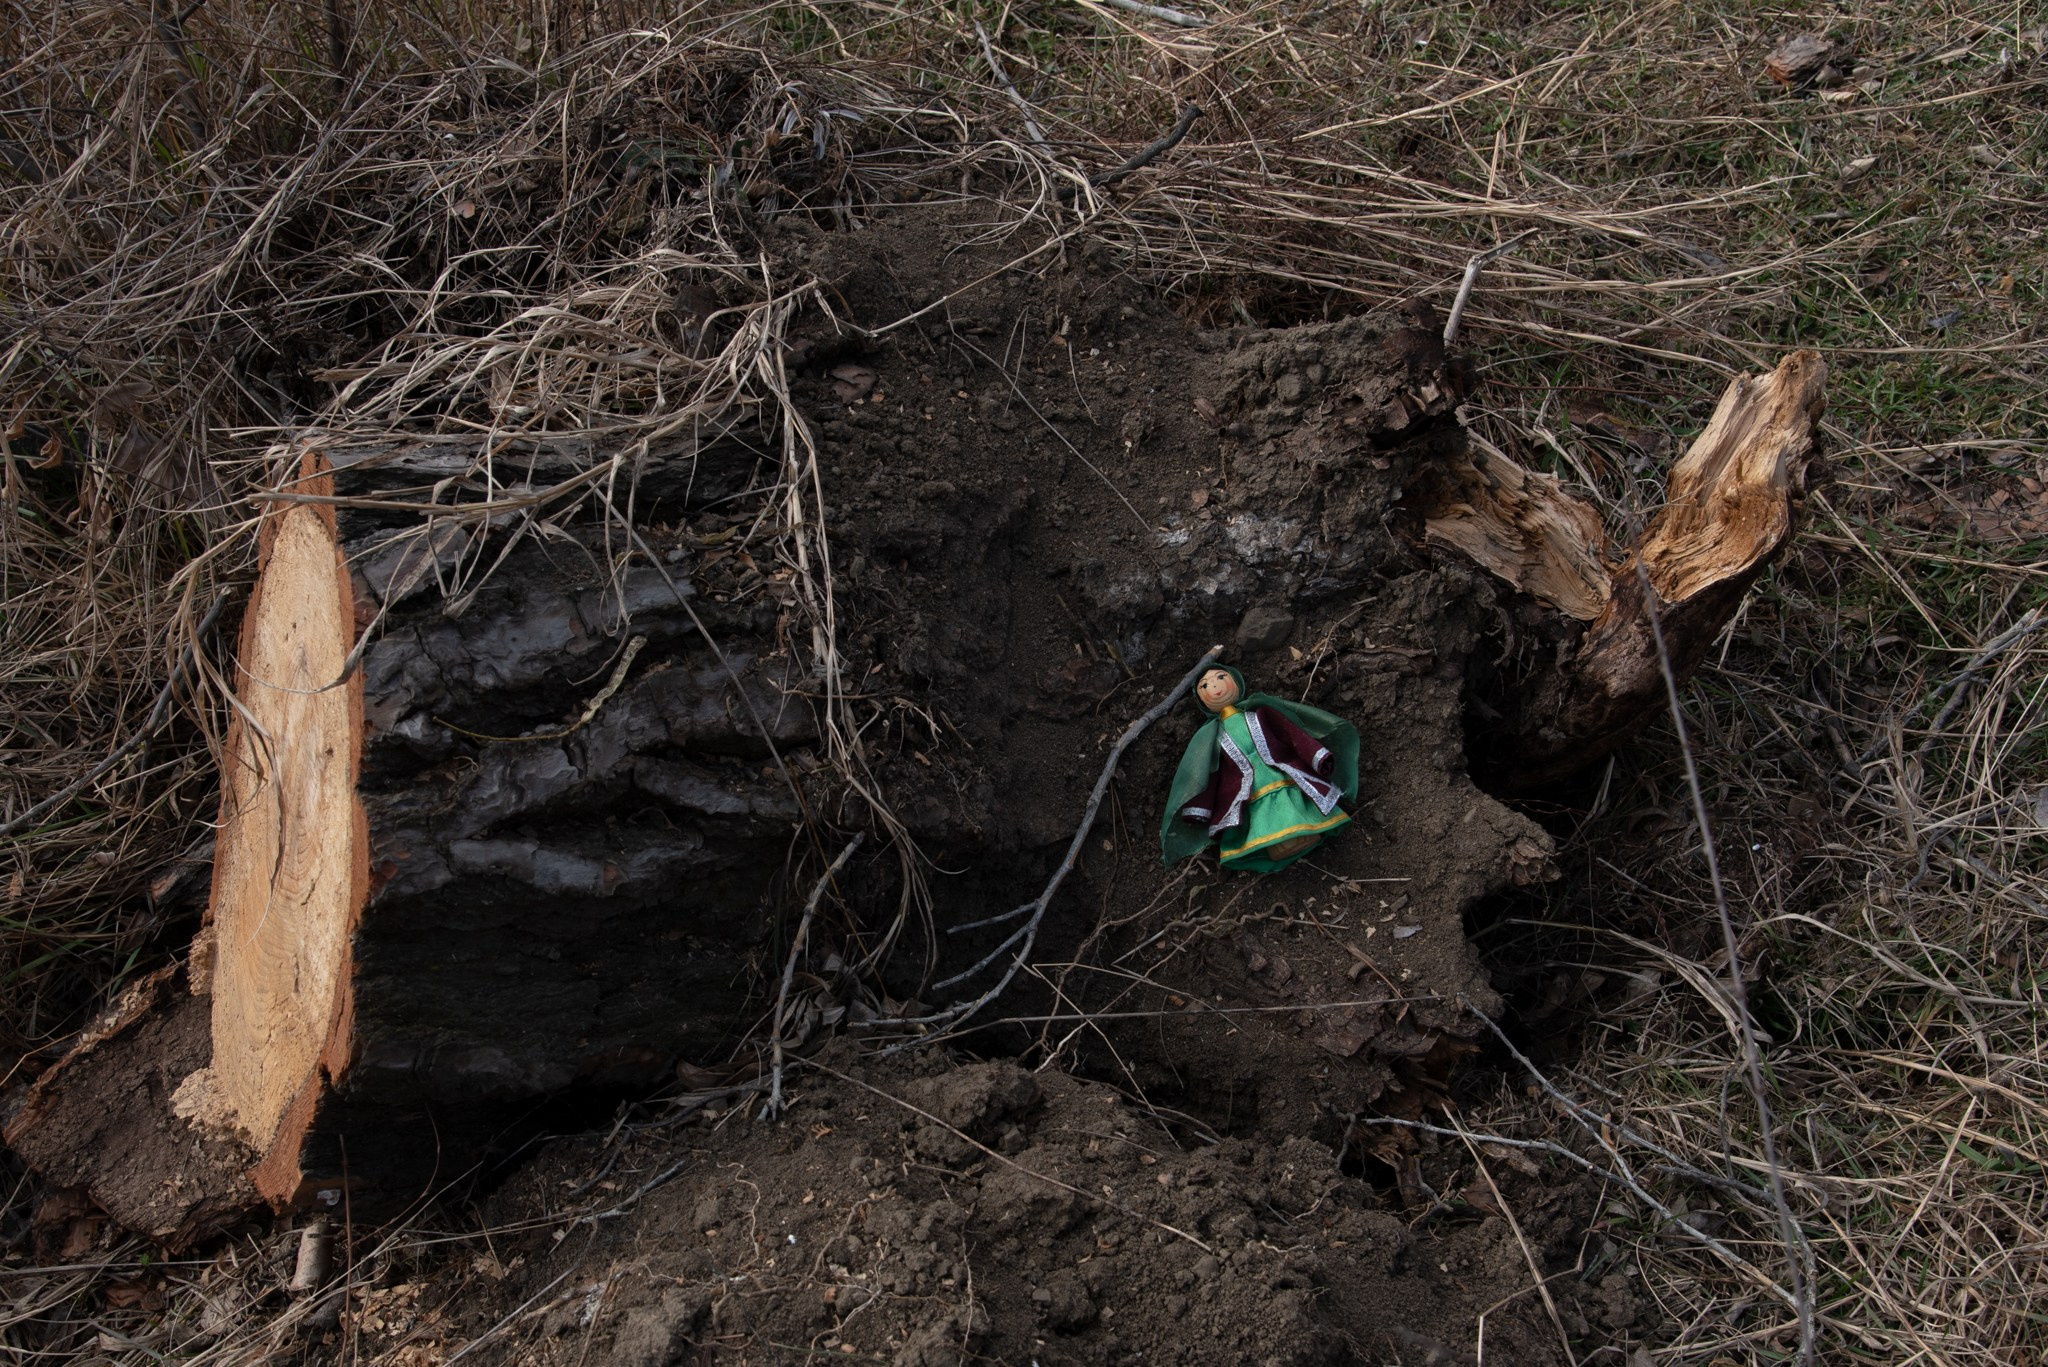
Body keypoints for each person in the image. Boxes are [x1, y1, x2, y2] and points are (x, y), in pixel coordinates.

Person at [1159, 664, 1358, 873]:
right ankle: (1278, 846)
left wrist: (1316, 755)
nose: (1215, 687)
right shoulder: (1210, 738)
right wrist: (1200, 807)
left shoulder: (1260, 713)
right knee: (1261, 817)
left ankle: (1305, 832)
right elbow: (1208, 774)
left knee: (1289, 803)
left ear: (1236, 681)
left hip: (1281, 774)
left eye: (1220, 677)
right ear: (1201, 701)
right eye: (1205, 686)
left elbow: (1291, 735)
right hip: (1247, 792)